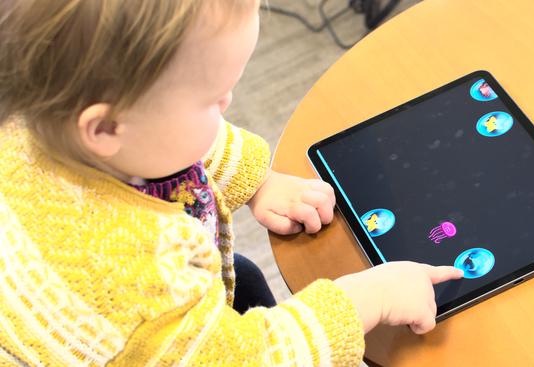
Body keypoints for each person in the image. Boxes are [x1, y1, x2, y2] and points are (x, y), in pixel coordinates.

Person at [0, 0, 464, 365]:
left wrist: (258, 181)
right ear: (103, 129)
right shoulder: (136, 274)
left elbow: (186, 145)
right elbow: (247, 360)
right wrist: (370, 297)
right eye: (212, 101)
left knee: (244, 277)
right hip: (131, 344)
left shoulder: (46, 113)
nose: (228, 104)